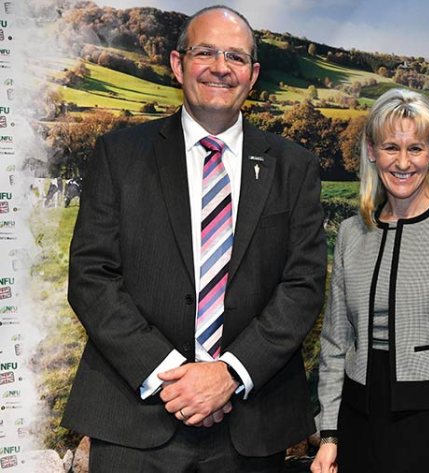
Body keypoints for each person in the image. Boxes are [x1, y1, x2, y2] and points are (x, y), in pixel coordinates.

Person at [61, 6, 326, 471]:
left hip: (251, 422)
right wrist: (171, 377)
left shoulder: (294, 167)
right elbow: (92, 276)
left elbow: (302, 285)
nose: (221, 67)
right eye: (205, 52)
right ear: (178, 64)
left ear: (253, 74)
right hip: (134, 417)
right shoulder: (120, 156)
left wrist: (229, 373)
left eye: (236, 57)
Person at [310, 88, 429, 473]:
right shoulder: (351, 232)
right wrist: (329, 433)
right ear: (371, 151)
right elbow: (334, 342)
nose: (402, 162)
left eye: (415, 148)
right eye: (390, 148)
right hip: (359, 421)